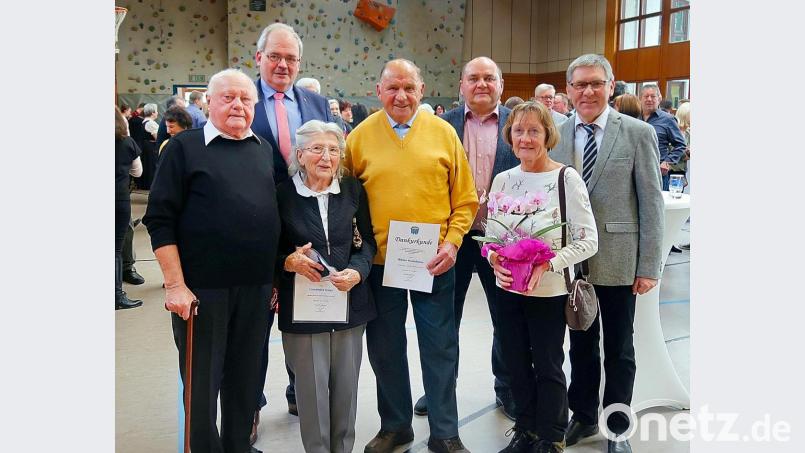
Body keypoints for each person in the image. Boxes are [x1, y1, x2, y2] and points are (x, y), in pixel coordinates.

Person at [143, 68, 281, 453]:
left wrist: (273, 280)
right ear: (208, 101)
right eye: (227, 97)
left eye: (245, 99)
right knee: (202, 385)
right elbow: (159, 219)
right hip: (202, 292)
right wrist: (175, 285)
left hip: (255, 290)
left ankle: (238, 446)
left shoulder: (262, 148)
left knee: (245, 381)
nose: (238, 105)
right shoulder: (184, 148)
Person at [345, 58, 478, 453]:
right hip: (379, 265)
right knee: (385, 347)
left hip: (434, 261)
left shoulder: (444, 134)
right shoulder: (359, 138)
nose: (401, 96)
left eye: (409, 88)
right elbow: (344, 201)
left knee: (440, 346)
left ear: (422, 90)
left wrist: (452, 243)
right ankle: (395, 426)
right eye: (392, 88)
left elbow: (466, 199)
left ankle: (445, 432)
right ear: (378, 92)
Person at [552, 54, 664, 453]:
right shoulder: (556, 134)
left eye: (596, 83)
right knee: (580, 345)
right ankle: (582, 417)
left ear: (611, 86)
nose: (588, 91)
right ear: (568, 90)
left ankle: (617, 427)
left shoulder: (636, 133)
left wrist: (649, 266)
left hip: (619, 259)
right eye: (580, 84)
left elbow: (651, 203)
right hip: (570, 263)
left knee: (619, 348)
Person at [489, 102, 598, 453]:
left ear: (548, 135)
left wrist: (548, 264)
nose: (525, 138)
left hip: (548, 291)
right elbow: (492, 237)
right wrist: (493, 258)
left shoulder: (566, 179)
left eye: (534, 131)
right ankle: (527, 429)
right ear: (510, 136)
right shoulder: (503, 179)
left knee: (548, 365)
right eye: (519, 131)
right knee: (515, 362)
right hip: (508, 288)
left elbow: (589, 241)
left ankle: (552, 436)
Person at [420, 56, 519, 421]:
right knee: (444, 318)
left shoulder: (518, 123)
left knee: (505, 317)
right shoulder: (438, 125)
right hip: (451, 239)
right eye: (473, 78)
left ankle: (507, 387)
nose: (481, 84)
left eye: (489, 78)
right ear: (461, 85)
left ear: (501, 85)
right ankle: (441, 388)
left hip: (504, 239)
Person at [250, 21, 334, 440]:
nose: (282, 64)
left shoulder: (317, 103)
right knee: (256, 325)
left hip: (306, 227)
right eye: (275, 56)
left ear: (299, 62)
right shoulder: (243, 100)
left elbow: (332, 158)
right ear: (258, 58)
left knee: (304, 315)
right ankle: (249, 405)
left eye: (290, 58)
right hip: (257, 229)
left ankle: (298, 389)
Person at [276, 119, 377, 453]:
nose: (326, 157)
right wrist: (288, 262)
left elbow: (366, 243)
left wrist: (357, 273)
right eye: (317, 148)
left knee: (346, 391)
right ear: (300, 154)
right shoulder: (282, 194)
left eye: (334, 150)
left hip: (349, 301)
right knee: (311, 392)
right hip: (302, 307)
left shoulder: (352, 190)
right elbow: (269, 249)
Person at [115, 106, 143, 310]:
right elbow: (138, 172)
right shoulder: (127, 143)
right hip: (118, 198)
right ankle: (116, 295)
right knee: (115, 249)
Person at [639, 84, 686, 191]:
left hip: (658, 173)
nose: (649, 99)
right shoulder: (635, 118)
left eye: (653, 96)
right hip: (636, 172)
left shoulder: (668, 120)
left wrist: (667, 161)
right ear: (640, 98)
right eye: (646, 96)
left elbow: (681, 144)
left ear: (659, 99)